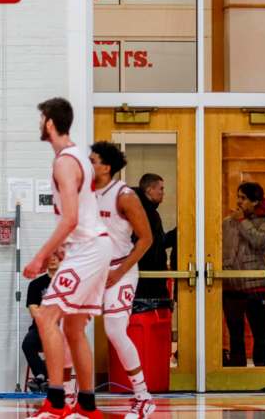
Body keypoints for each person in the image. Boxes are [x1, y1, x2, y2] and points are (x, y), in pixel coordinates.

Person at [24, 97, 110, 419]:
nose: (39, 124)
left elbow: (71, 217)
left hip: (88, 248)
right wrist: (64, 246)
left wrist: (40, 256)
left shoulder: (64, 162)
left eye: (40, 119)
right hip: (91, 246)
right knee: (74, 329)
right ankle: (87, 405)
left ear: (49, 122)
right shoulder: (79, 159)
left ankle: (56, 402)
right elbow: (80, 214)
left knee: (46, 318)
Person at [90, 141, 155, 418]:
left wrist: (118, 272)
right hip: (94, 267)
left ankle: (143, 396)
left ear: (106, 166)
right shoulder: (85, 192)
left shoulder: (124, 195)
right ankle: (69, 396)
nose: (87, 164)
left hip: (121, 268)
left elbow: (147, 239)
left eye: (92, 160)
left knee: (115, 330)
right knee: (69, 325)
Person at [222, 181, 265, 367]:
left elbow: (259, 241)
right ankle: (236, 370)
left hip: (254, 285)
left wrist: (243, 221)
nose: (239, 201)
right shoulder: (228, 222)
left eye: (243, 198)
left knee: (259, 333)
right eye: (238, 197)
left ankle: (259, 372)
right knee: (235, 333)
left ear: (255, 201)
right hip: (231, 284)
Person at [23, 252, 61, 393]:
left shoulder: (67, 283)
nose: (52, 259)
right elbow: (34, 310)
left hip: (62, 327)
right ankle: (42, 375)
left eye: (56, 257)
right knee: (27, 344)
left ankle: (42, 378)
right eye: (49, 257)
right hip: (41, 327)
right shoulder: (35, 284)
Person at [133, 174, 174, 305]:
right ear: (150, 190)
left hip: (144, 278)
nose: (163, 193)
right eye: (161, 189)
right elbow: (157, 244)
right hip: (147, 280)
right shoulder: (146, 212)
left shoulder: (143, 209)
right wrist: (179, 232)